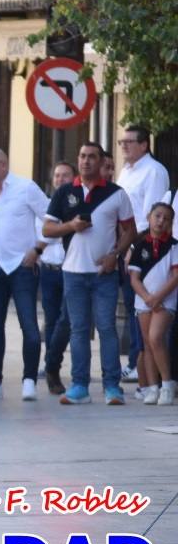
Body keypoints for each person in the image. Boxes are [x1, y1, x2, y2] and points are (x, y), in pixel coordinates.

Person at [43, 142, 136, 406]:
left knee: (107, 328)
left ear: (101, 161)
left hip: (103, 273)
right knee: (79, 330)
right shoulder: (64, 192)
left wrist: (115, 254)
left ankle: (112, 387)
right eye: (82, 156)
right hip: (72, 273)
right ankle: (80, 385)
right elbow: (47, 230)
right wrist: (71, 226)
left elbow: (130, 230)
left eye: (92, 157)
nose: (86, 161)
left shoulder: (116, 194)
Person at [0, 148, 50, 401]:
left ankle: (29, 380)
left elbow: (50, 218)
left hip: (22, 267)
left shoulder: (26, 188)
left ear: (3, 166)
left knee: (28, 324)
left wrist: (37, 249)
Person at [117, 125, 167, 381]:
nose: (124, 146)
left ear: (144, 144)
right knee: (130, 306)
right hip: (122, 244)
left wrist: (132, 248)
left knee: (142, 308)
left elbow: (152, 218)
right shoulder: (126, 171)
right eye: (121, 142)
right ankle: (136, 360)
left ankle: (143, 366)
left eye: (129, 142)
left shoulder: (154, 171)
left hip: (141, 249)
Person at [128, 203, 178, 406]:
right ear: (149, 217)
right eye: (157, 216)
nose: (161, 221)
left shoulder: (174, 246)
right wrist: (147, 297)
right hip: (144, 300)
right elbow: (134, 278)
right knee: (148, 344)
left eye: (166, 218)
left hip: (165, 301)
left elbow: (175, 276)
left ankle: (166, 385)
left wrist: (158, 297)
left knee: (156, 338)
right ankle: (151, 388)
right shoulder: (140, 245)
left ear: (171, 223)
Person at [40, 161, 75, 395]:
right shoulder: (45, 204)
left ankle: (55, 363)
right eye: (57, 175)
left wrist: (58, 229)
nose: (61, 179)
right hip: (47, 268)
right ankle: (49, 365)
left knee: (67, 320)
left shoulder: (74, 205)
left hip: (69, 268)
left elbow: (52, 235)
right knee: (51, 320)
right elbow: (43, 235)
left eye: (65, 175)